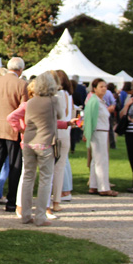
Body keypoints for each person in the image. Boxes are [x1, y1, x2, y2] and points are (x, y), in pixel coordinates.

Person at [7, 73, 64, 226]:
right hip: (45, 143)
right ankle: (40, 216)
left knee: (27, 178)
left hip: (28, 142)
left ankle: (25, 215)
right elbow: (60, 115)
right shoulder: (53, 101)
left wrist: (20, 129)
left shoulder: (30, 102)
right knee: (45, 179)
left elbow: (23, 119)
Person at [0, 57, 27, 213]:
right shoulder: (21, 84)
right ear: (20, 70)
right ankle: (11, 201)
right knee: (15, 166)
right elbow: (24, 109)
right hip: (14, 130)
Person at [83, 78, 117, 196]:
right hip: (98, 131)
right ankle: (103, 187)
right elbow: (88, 118)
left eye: (105, 86)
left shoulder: (100, 101)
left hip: (101, 131)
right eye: (101, 86)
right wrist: (87, 133)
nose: (104, 89)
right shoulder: (94, 101)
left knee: (96, 160)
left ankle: (94, 185)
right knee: (101, 160)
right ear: (95, 88)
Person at [52, 70, 76, 208]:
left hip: (59, 130)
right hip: (65, 130)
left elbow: (60, 115)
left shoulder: (59, 95)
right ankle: (62, 193)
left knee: (58, 166)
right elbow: (71, 112)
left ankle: (61, 192)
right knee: (62, 164)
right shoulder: (68, 94)